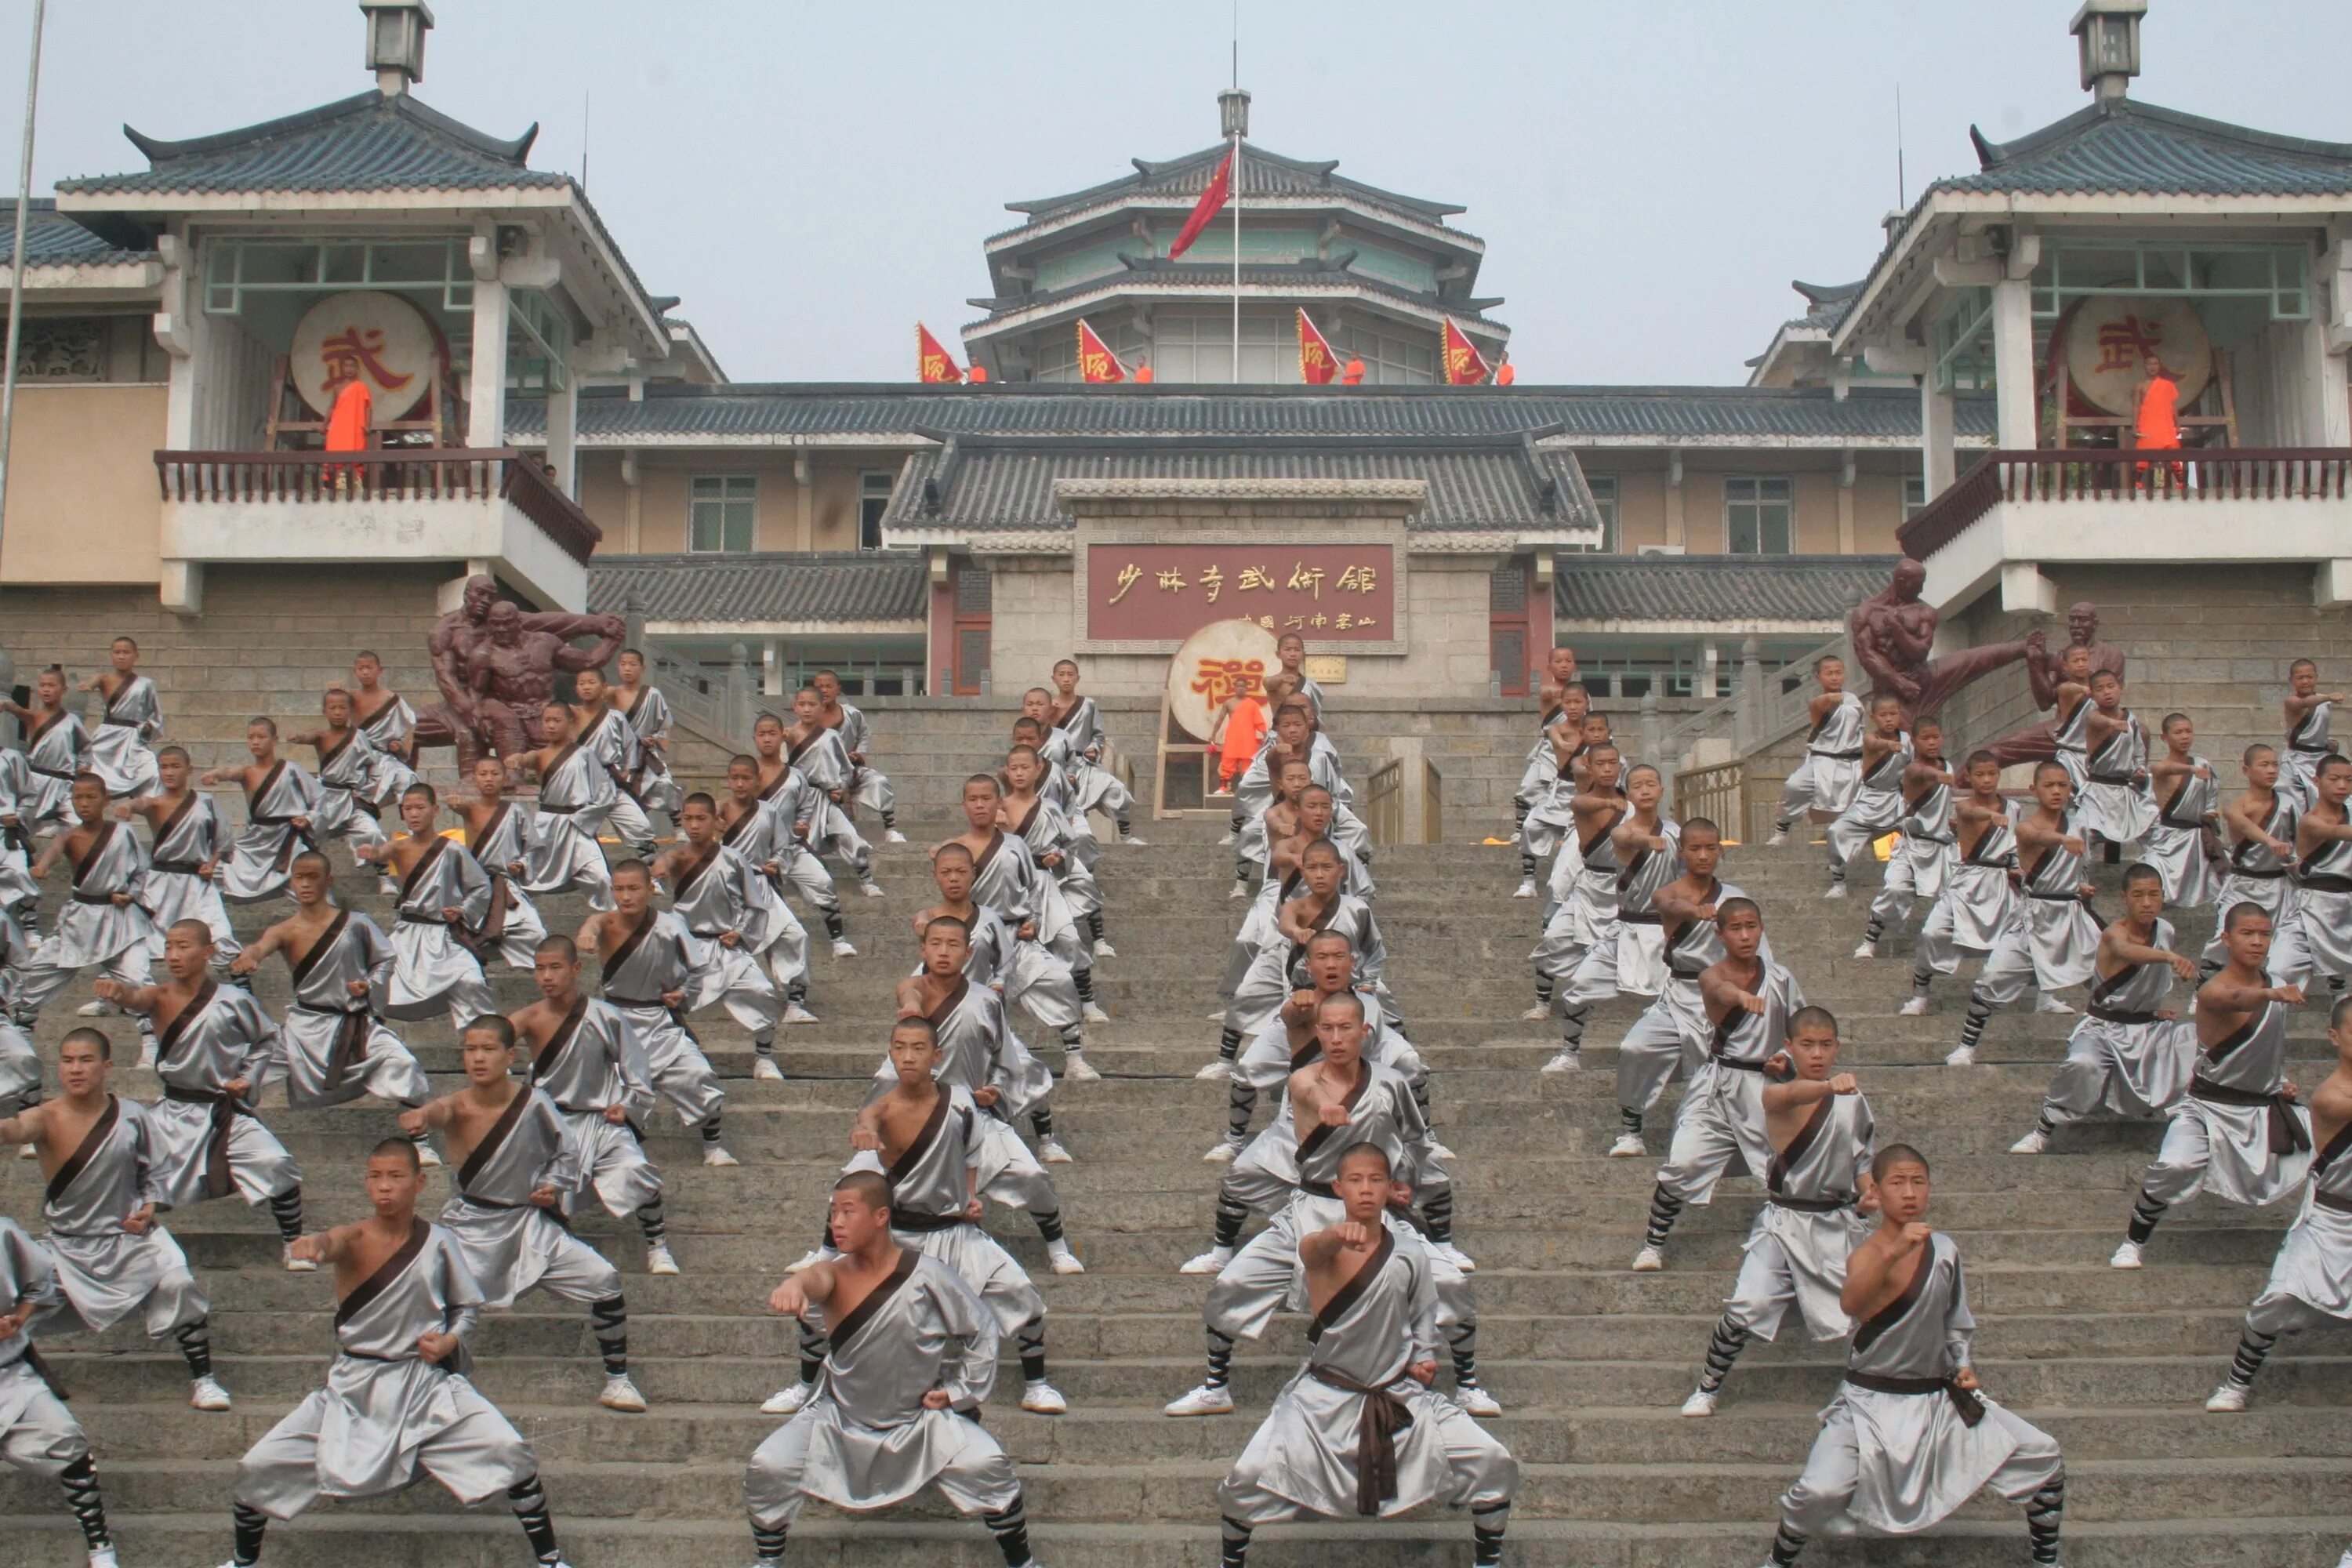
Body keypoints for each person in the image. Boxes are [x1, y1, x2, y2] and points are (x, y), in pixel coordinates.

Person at [219, 1140, 575, 1568]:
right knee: (260, 1465)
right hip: (353, 1387)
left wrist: (450, 1340)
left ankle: (551, 1560)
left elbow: (466, 1308)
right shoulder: (356, 1236)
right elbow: (335, 1240)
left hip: (423, 1384)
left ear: (419, 1181)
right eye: (374, 1177)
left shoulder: (440, 1241)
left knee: (508, 1449)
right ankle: (243, 1563)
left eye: (394, 1176)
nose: (383, 1187)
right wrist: (317, 1243)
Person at [1757, 1145, 2067, 1568]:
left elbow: (1956, 1320)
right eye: (1898, 1182)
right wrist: (1893, 1251)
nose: (1909, 1192)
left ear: (1929, 1189)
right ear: (1879, 1193)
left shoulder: (1945, 1250)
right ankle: (1777, 1561)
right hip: (1868, 1402)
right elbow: (1852, 1304)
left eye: (1917, 1182)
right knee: (1819, 1491)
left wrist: (1963, 1365)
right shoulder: (1867, 1253)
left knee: (2043, 1455)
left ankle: (2047, 1561)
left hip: (1937, 1400)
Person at [1213, 1140, 1518, 1568]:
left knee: (1492, 1463)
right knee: (1244, 1481)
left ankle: (1488, 1563)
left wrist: (1423, 1358)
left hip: (1398, 1397)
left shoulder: (1411, 1252)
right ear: (1338, 1188)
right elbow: (1311, 1251)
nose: (1366, 1189)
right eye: (1355, 1181)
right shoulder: (1321, 1247)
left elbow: (1424, 1319)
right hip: (1320, 1401)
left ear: (1391, 1188)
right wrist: (1333, 1236)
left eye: (1376, 1180)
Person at [1169, 992, 1472, 1416]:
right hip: (1308, 1209)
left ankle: (1469, 1386)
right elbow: (1310, 1093)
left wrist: (1402, 1183)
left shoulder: (1391, 1082)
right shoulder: (1304, 1079)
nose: (1335, 1037)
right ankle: (1216, 1387)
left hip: (1372, 1213)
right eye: (1326, 1028)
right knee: (1232, 1284)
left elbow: (1414, 1142)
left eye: (1345, 1027)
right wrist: (1327, 1106)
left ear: (1364, 1032)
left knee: (1452, 1284)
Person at [743, 1171, 1039, 1568]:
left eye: (849, 1212)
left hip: (917, 1421)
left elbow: (982, 1327)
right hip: (838, 1419)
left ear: (881, 1216)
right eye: (833, 1213)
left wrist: (959, 1391)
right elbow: (817, 1278)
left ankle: (1023, 1562)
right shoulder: (835, 1272)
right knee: (770, 1464)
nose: (838, 1222)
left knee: (987, 1465)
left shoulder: (928, 1274)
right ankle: (767, 1561)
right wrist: (797, 1282)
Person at [399, 1016, 644, 1413]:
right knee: (428, 1302)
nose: (478, 1058)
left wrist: (553, 1183)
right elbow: (439, 1111)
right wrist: (422, 1117)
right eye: (470, 1050)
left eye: (488, 1049)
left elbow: (567, 1152)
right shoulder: (458, 1105)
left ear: (510, 1055)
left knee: (603, 1279)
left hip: (529, 1226)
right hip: (469, 1229)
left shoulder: (534, 1102)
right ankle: (435, 1392)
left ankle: (618, 1379)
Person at [841, 1017, 1067, 1414]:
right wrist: (865, 1134)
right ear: (890, 1053)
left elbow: (971, 1151)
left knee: (1020, 1296)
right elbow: (869, 1120)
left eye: (918, 1048)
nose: (908, 1057)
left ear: (937, 1056)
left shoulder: (959, 1100)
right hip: (904, 1239)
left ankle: (1037, 1384)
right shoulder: (882, 1108)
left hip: (957, 1231)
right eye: (900, 1048)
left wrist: (968, 1197)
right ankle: (813, 1388)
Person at [5, 1027, 227, 1411]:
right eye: (68, 1060)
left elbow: (158, 1170)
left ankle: (203, 1379)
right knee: (16, 1306)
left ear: (107, 1066)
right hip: (68, 1244)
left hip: (132, 1238)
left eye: (86, 1060)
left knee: (177, 1283)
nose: (76, 1069)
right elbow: (14, 1128)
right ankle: (26, 1374)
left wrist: (151, 1205)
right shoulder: (44, 1117)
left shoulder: (134, 1116)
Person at [1680, 1007, 1876, 1417]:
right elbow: (1786, 1095)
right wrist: (1825, 1088)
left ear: (1838, 1047)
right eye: (1807, 1045)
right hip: (1785, 1224)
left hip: (1838, 1224)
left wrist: (1869, 1191)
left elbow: (1861, 1159)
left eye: (1826, 1045)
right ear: (1790, 1046)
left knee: (1872, 1308)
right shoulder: (1778, 1092)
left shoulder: (1853, 1101)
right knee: (1749, 1303)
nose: (1817, 1054)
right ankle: (1707, 1386)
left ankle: (1868, 1391)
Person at [96, 921, 307, 1269]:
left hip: (223, 1110)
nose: (174, 956)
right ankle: (127, 1248)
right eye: (168, 948)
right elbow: (136, 997)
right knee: (127, 1170)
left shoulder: (235, 1000)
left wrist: (248, 1077)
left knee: (274, 1162)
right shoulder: (159, 997)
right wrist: (119, 993)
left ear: (207, 952)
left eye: (183, 947)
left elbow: (267, 1038)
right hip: (173, 1111)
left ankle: (294, 1242)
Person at [2114, 902, 2314, 1269]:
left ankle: (2322, 1242)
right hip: (2207, 1108)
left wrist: (2280, 1081)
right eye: (2247, 933)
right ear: (2226, 938)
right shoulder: (2215, 989)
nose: (2257, 942)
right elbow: (2234, 999)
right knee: (2175, 1165)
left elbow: (2264, 1049)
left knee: (2331, 1153)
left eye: (2265, 934)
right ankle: (2133, 1241)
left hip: (2262, 1106)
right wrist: (2271, 995)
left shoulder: (2274, 984)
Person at [1633, 898, 1804, 1272]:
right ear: (1720, 934)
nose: (1746, 936)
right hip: (1718, 1087)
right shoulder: (1711, 975)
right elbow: (1719, 992)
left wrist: (1787, 1060)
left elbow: (1800, 1029)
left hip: (1766, 1089)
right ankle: (1653, 1243)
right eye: (1737, 929)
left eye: (1752, 927)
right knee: (1685, 1161)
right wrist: (1741, 997)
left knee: (1787, 1171)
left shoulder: (1781, 977)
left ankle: (1792, 1248)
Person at [2207, 993, 2352, 1412]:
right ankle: (2236, 1382)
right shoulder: (2331, 1096)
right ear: (2334, 1037)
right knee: (2280, 1300)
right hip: (2331, 1221)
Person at [230, 851, 432, 1152]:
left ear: (329, 881)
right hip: (304, 1026)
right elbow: (262, 946)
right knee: (244, 1074)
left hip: (355, 1022)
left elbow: (385, 958)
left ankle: (421, 1141)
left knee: (402, 1063)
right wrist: (250, 956)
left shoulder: (356, 924)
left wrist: (370, 986)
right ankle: (232, 1138)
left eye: (313, 877)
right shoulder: (285, 930)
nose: (305, 884)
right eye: (299, 877)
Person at [508, 936, 674, 1275]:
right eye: (539, 969)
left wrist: (627, 1106)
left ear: (575, 968)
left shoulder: (605, 1016)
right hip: (550, 1126)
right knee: (535, 1191)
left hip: (601, 1122)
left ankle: (658, 1246)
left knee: (634, 1170)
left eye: (555, 967)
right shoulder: (526, 1019)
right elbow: (490, 1045)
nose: (547, 977)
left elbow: (637, 1071)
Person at [2010, 863, 2198, 1156]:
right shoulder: (2115, 934)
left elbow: (2144, 984)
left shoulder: (2166, 930)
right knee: (2083, 1063)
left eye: (2154, 894)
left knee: (2194, 1040)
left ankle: (2187, 1119)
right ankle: (2043, 1129)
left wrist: (2150, 1010)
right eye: (2138, 895)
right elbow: (2127, 953)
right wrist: (2169, 957)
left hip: (2145, 1027)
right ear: (2124, 898)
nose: (2147, 903)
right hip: (2103, 1029)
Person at [577, 858, 739, 1165]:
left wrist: (683, 993)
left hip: (658, 1021)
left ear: (650, 889)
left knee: (698, 1075)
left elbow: (697, 968)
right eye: (619, 889)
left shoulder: (670, 926)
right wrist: (587, 930)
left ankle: (713, 1145)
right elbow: (595, 923)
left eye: (634, 889)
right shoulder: (607, 924)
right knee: (610, 1093)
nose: (626, 897)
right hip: (616, 1023)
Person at [1608, 817, 1754, 1158]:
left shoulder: (1735, 898)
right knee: (1635, 1047)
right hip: (1678, 995)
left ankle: (1733, 1135)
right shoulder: (1667, 893)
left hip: (1726, 996)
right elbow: (1670, 906)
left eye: (1710, 848)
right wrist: (1697, 911)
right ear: (1682, 852)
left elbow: (1755, 947)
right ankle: (1631, 1130)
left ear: (1720, 851)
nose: (1703, 855)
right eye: (1695, 848)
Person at [946, 772, 1105, 1076]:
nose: (980, 805)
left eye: (986, 799)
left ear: (999, 803)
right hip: (972, 938)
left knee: (1058, 980)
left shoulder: (1016, 845)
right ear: (963, 805)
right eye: (973, 799)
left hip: (1016, 933)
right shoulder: (954, 849)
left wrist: (1031, 920)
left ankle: (1074, 1058)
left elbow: (1032, 887)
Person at [1945, 762, 2102, 1066]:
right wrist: (2061, 840)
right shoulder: (2026, 827)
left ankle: (2105, 1043)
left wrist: (2082, 889)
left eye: (2063, 785)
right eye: (2049, 785)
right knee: (1991, 979)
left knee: (2105, 980)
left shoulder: (2079, 826)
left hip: (2071, 915)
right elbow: (2036, 838)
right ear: (2034, 789)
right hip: (2035, 916)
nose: (2057, 791)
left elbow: (2080, 868)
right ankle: (1967, 1045)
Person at [0, 1210, 123, 1568]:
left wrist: (18, 1319)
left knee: (67, 1438)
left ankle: (100, 1548)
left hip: (8, 1375)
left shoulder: (4, 1233)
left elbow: (41, 1282)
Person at [14, 774, 158, 1035]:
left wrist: (130, 894)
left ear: (105, 800)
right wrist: (42, 867)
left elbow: (142, 871)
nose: (84, 804)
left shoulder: (123, 833)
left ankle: (151, 1046)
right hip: (80, 919)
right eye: (78, 797)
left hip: (120, 920)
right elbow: (53, 853)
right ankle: (22, 1032)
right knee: (35, 975)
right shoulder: (69, 836)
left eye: (91, 797)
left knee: (138, 979)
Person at [354, 783, 498, 1037]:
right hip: (407, 933)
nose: (414, 814)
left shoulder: (453, 850)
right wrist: (372, 853)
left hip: (443, 935)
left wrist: (462, 910)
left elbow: (480, 887)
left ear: (435, 811)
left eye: (420, 808)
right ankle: (366, 1041)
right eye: (408, 809)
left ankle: (485, 1043)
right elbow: (381, 852)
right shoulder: (399, 847)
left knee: (471, 981)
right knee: (371, 981)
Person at [718, 752, 855, 1005]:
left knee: (795, 936)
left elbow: (781, 847)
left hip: (760, 886)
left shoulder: (768, 813)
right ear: (727, 779)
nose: (740, 784)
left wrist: (776, 863)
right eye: (735, 778)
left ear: (757, 780)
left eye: (745, 779)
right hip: (727, 889)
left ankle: (795, 1002)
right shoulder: (719, 813)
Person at [1525, 741, 1628, 1073]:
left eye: (1615, 763)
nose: (1609, 769)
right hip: (1590, 889)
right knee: (1553, 941)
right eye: (1602, 764)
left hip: (1630, 900)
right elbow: (1582, 797)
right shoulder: (1585, 802)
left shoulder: (1637, 807)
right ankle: (1557, 1027)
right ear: (1592, 767)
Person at [1902, 750, 2020, 1017]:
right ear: (1970, 777)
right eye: (1980, 775)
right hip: (1967, 881)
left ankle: (2046, 996)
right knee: (1932, 933)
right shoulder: (1965, 806)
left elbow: (2015, 845)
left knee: (2030, 936)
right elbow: (1971, 812)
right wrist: (1990, 817)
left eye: (1992, 774)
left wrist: (2017, 869)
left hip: (2001, 882)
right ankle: (1920, 992)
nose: (1987, 780)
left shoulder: (2014, 808)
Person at [119, 745, 240, 966]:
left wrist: (212, 864)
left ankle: (242, 989)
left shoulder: (206, 802)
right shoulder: (155, 803)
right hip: (161, 882)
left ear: (188, 769)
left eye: (175, 766)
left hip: (198, 883)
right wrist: (129, 806)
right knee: (142, 940)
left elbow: (223, 839)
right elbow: (142, 803)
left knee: (220, 936)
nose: (169, 772)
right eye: (163, 767)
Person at [2197, 744, 2300, 985]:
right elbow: (2243, 824)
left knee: (2287, 942)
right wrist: (2270, 841)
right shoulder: (2236, 806)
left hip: (2280, 885)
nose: (2272, 770)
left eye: (2275, 765)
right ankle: (2203, 985)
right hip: (2244, 884)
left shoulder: (2288, 803)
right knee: (2223, 936)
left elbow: (2301, 835)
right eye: (2264, 765)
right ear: (2246, 769)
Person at [1855, 718, 1954, 959]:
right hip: (1913, 846)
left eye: (1935, 737)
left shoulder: (1948, 766)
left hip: (1943, 849)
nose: (1932, 743)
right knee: (1895, 889)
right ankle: (1870, 940)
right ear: (1915, 742)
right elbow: (1921, 772)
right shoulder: (1912, 769)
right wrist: (1937, 775)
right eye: (1925, 738)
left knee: (1960, 897)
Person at [445, 753, 550, 971]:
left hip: (506, 884)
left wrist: (521, 864)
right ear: (474, 779)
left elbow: (535, 846)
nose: (489, 779)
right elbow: (458, 806)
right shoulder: (471, 809)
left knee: (535, 932)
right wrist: (454, 803)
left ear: (505, 779)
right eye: (483, 774)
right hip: (477, 886)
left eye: (495, 774)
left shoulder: (516, 812)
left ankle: (539, 970)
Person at [205, 717, 323, 906]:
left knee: (307, 885)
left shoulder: (291, 770)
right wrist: (215, 774)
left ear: (274, 740)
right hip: (256, 841)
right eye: (251, 737)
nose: (256, 742)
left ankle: (327, 923)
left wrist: (308, 818)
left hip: (288, 842)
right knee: (216, 871)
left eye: (261, 737)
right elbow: (230, 772)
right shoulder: (247, 772)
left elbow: (320, 799)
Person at [2266, 751, 2352, 1004]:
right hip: (2311, 905)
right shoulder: (2310, 821)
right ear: (2317, 780)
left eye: (2348, 780)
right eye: (2334, 779)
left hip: (2347, 904)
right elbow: (2337, 832)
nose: (2342, 786)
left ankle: (2339, 986)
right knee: (2280, 970)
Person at [514, 700, 615, 913]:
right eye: (547, 721)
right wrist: (516, 759)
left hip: (578, 826)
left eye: (556, 720)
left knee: (601, 876)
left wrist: (586, 818)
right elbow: (526, 759)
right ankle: (510, 919)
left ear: (569, 723)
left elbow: (605, 791)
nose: (551, 725)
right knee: (526, 878)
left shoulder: (585, 755)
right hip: (547, 827)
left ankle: (613, 919)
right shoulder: (540, 755)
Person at [781, 691, 885, 896]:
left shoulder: (831, 737)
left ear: (822, 707)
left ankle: (866, 879)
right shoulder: (788, 735)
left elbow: (846, 769)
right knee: (800, 843)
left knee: (847, 834)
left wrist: (843, 788)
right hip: (799, 800)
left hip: (826, 797)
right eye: (802, 704)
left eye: (812, 704)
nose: (807, 709)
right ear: (795, 708)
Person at [289, 687, 400, 874]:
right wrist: (297, 737)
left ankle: (383, 874)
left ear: (350, 711)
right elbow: (309, 737)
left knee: (371, 832)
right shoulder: (322, 736)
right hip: (326, 799)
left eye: (342, 708)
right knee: (304, 832)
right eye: (333, 708)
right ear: (325, 712)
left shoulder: (359, 737)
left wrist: (366, 790)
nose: (338, 712)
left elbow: (371, 764)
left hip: (352, 800)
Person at [1767, 655, 1865, 844]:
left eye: (1838, 673)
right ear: (1819, 677)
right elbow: (1818, 705)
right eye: (1829, 673)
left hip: (1852, 760)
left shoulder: (1853, 700)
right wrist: (1829, 698)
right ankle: (1782, 828)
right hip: (1821, 759)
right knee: (1794, 786)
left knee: (1859, 800)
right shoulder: (1817, 702)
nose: (1834, 677)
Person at [1823, 694, 1910, 899]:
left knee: (1925, 830)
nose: (1889, 719)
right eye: (1883, 715)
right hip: (1869, 800)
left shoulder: (1908, 740)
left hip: (1898, 801)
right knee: (1837, 831)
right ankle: (1839, 882)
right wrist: (1889, 746)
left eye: (1893, 714)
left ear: (1900, 715)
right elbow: (1874, 744)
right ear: (1873, 718)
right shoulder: (1871, 739)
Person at [568, 665, 658, 862]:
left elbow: (630, 745)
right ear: (576, 689)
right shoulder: (571, 716)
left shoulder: (615, 717)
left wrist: (628, 770)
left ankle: (652, 872)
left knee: (639, 826)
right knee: (577, 830)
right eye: (582, 684)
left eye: (592, 683)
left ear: (604, 687)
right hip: (582, 785)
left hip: (611, 782)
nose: (587, 687)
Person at [1048, 657, 1142, 843]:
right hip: (1059, 766)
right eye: (1062, 675)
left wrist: (1093, 749)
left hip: (1085, 763)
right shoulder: (1049, 707)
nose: (1066, 679)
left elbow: (1098, 735)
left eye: (1070, 675)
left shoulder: (1087, 705)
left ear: (1078, 678)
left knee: (1115, 791)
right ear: (1054, 679)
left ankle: (1126, 836)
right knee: (1064, 806)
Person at [811, 669, 906, 844]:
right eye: (820, 687)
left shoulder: (851, 714)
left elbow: (864, 733)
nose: (824, 690)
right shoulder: (810, 719)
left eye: (828, 686)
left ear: (838, 689)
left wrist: (859, 753)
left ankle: (890, 829)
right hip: (822, 775)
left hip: (851, 769)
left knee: (879, 782)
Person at [2143, 714, 2221, 909]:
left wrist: (2210, 812)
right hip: (2168, 837)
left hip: (2196, 836)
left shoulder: (2203, 764)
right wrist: (2190, 769)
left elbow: (2211, 795)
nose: (2185, 736)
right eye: (2178, 732)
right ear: (2165, 737)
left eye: (2188, 731)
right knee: (2153, 873)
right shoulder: (2163, 768)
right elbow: (2161, 768)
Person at [2075, 669, 2156, 859]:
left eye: (2111, 687)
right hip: (2097, 790)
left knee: (2153, 824)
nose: (2107, 692)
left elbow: (2138, 753)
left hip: (2123, 792)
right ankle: (2081, 877)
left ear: (2121, 688)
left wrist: (2140, 770)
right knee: (2083, 832)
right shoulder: (2093, 717)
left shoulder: (2131, 720)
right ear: (2092, 694)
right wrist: (2112, 723)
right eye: (2100, 689)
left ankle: (2153, 868)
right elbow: (2097, 720)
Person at [2, 666, 89, 836]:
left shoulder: (72, 721)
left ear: (63, 690)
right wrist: (7, 705)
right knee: (18, 823)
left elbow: (86, 747)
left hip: (65, 783)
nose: (46, 690)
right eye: (43, 686)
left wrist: (84, 766)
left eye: (51, 685)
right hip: (36, 781)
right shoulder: (34, 717)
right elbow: (18, 711)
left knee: (77, 824)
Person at [79, 637, 161, 800]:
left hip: (133, 737)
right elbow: (93, 682)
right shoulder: (104, 678)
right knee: (88, 772)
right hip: (107, 735)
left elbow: (155, 713)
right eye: (117, 652)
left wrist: (150, 727)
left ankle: (144, 806)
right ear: (112, 655)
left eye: (126, 652)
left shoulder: (146, 684)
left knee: (152, 772)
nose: (121, 656)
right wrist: (87, 685)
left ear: (136, 656)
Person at [613, 648, 686, 823]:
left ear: (642, 668)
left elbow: (666, 724)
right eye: (623, 664)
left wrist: (656, 738)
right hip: (619, 755)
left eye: (632, 664)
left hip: (645, 754)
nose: (627, 669)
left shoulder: (652, 695)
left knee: (664, 785)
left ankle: (678, 819)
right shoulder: (611, 694)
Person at [2282, 658, 2344, 812]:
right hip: (2297, 760)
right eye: (2300, 678)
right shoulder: (2292, 701)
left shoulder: (2325, 701)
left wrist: (2326, 743)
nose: (2305, 681)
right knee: (2298, 804)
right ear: (2292, 680)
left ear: (2316, 677)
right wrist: (2328, 697)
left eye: (2309, 677)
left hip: (2322, 758)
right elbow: (2304, 703)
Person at [347, 649, 416, 766]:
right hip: (355, 756)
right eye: (361, 668)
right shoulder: (349, 699)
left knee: (406, 779)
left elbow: (410, 725)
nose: (365, 672)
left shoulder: (392, 700)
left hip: (383, 758)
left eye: (369, 668)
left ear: (380, 670)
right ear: (355, 672)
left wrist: (400, 748)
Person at [1213, 671, 1270, 793]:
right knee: (1228, 762)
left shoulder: (1252, 704)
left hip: (1248, 738)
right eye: (1238, 686)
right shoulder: (1229, 703)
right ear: (1234, 687)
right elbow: (1220, 719)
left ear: (1246, 688)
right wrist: (1213, 734)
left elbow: (1259, 721)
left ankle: (1247, 788)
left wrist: (1266, 734)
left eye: (1243, 686)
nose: (1240, 689)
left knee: (1248, 764)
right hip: (1232, 738)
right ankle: (1223, 788)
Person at [2133, 347, 2182, 488]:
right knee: (2143, 455)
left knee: (2173, 455)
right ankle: (2138, 482)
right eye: (2149, 364)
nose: (2152, 367)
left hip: (2165, 424)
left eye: (2155, 364)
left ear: (2159, 366)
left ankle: (2180, 482)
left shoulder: (2168, 385)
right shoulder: (2140, 386)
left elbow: (2173, 407)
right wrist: (2134, 427)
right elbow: (2135, 407)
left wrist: (2177, 425)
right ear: (2145, 367)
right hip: (2147, 424)